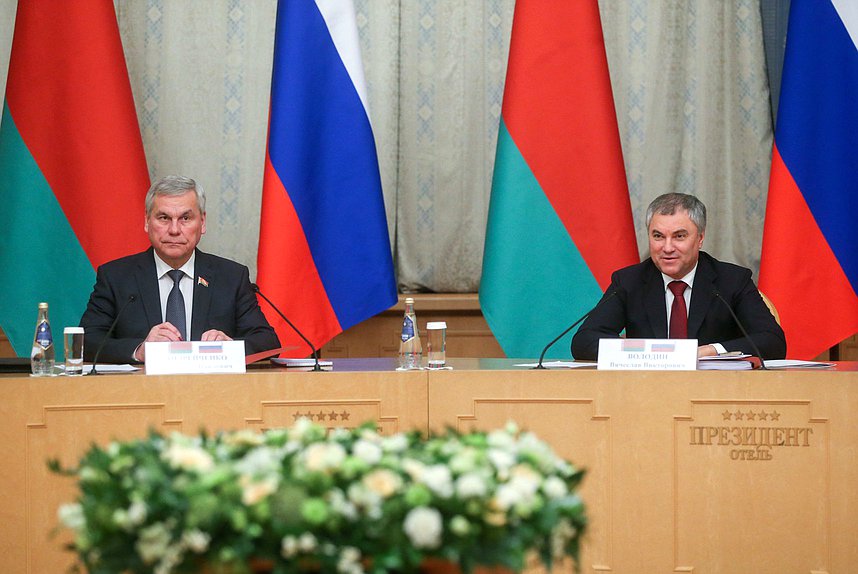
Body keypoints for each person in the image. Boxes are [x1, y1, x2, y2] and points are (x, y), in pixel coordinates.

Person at [80, 175, 280, 363]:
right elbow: (86, 341)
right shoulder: (117, 277)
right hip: (141, 394)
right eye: (164, 218)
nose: (174, 230)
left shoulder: (231, 277)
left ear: (202, 222)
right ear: (147, 222)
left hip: (213, 394)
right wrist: (140, 350)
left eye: (185, 218)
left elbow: (267, 342)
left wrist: (230, 347)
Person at [571, 193, 786, 361]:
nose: (667, 247)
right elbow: (584, 341)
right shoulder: (629, 282)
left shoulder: (731, 281)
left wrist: (711, 351)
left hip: (716, 397)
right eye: (658, 236)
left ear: (700, 238)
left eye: (679, 236)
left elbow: (772, 341)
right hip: (645, 395)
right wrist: (642, 352)